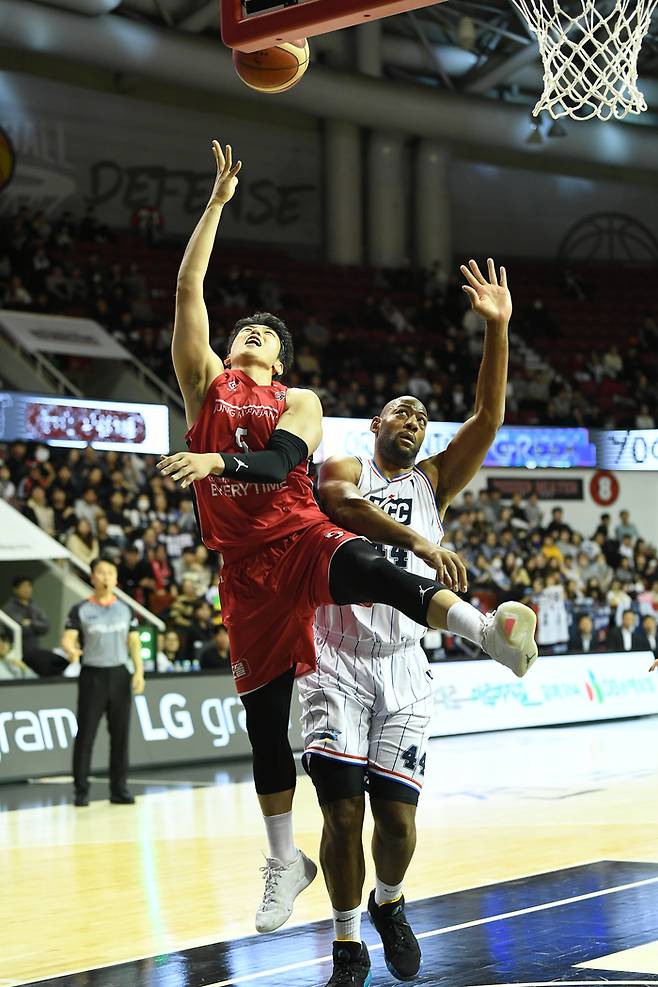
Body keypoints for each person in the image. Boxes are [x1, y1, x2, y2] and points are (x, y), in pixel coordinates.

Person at [157, 140, 538, 938]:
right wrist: (218, 204)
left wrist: (215, 458)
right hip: (255, 580)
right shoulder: (213, 391)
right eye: (245, 331)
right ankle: (286, 870)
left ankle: (487, 634)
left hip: (305, 551)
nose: (252, 334)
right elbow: (190, 285)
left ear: (282, 360)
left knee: (366, 564)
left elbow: (280, 463)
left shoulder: (302, 401)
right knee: (265, 727)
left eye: (266, 333)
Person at [297, 257, 533, 986]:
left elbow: (488, 417)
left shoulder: (434, 480)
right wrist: (421, 541)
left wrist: (496, 329)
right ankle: (344, 943)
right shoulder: (340, 464)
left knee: (395, 822)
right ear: (375, 424)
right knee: (341, 817)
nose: (414, 420)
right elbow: (342, 511)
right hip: (333, 657)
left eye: (423, 417)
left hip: (404, 663)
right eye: (401, 411)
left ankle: (388, 902)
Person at [61, 558, 145, 806]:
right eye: (101, 572)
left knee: (120, 736)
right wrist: (71, 649)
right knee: (86, 735)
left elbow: (134, 643)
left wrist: (138, 672)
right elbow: (68, 638)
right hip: (93, 676)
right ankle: (81, 791)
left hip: (119, 674)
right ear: (92, 577)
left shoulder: (125, 609)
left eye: (110, 572)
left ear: (116, 578)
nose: (106, 577)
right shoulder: (81, 609)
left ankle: (119, 789)